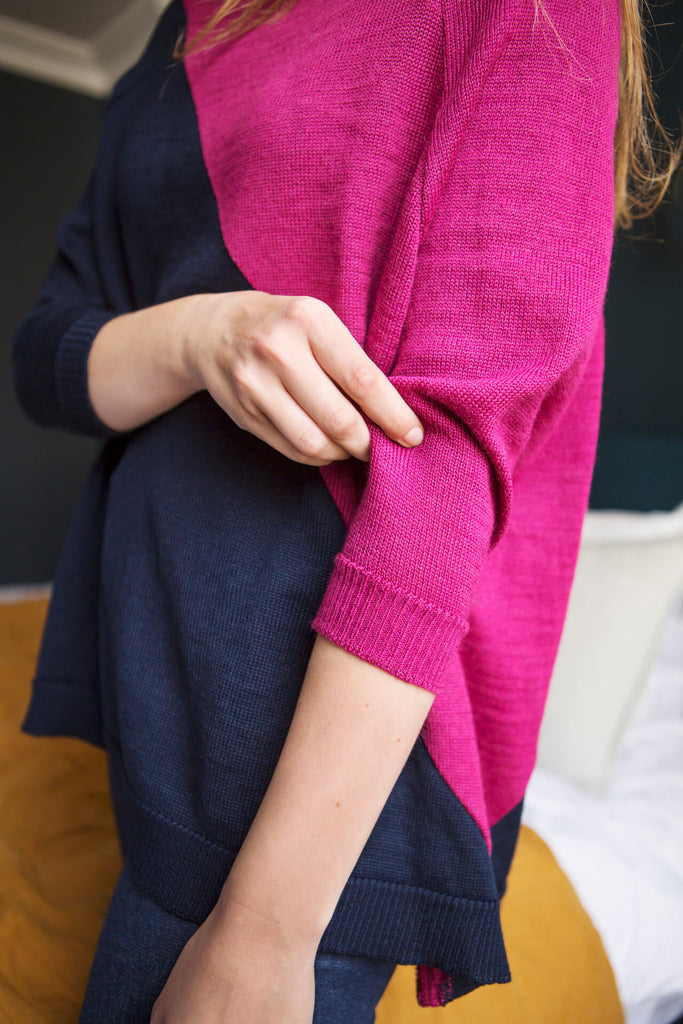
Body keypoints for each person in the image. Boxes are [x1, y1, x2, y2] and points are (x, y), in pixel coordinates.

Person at [10, 0, 680, 1021]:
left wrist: (265, 929)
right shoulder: (179, 29)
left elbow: (439, 467)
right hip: (154, 721)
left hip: (280, 808)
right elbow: (48, 359)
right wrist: (201, 336)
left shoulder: (533, 12)